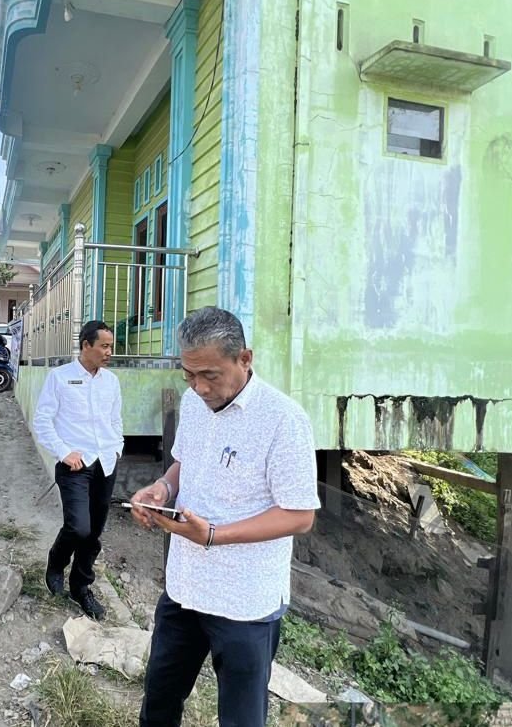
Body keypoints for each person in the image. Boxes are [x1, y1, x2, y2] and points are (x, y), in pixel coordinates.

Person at [129, 307, 320, 726]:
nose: (199, 387)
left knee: (241, 718)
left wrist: (215, 534)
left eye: (210, 375)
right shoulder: (194, 402)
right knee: (158, 702)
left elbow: (299, 515)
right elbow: (183, 464)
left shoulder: (283, 420)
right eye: (188, 375)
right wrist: (162, 489)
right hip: (184, 588)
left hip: (245, 603)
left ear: (244, 359)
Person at [32, 320, 122, 620]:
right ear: (86, 345)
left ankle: (81, 586)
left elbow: (115, 420)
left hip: (106, 463)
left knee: (94, 532)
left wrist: (117, 447)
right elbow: (42, 421)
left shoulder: (111, 381)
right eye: (104, 346)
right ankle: (56, 562)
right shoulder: (60, 377)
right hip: (75, 465)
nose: (109, 352)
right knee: (78, 527)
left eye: (111, 346)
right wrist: (63, 452)